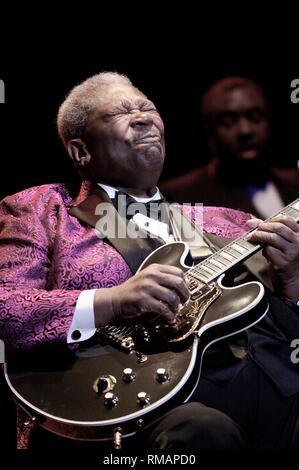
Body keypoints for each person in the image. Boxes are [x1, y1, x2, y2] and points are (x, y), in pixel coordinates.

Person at [0, 72, 299, 452]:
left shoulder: (227, 221)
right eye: (121, 113)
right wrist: (113, 301)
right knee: (202, 432)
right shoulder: (46, 210)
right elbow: (6, 304)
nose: (143, 117)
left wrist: (291, 280)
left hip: (274, 391)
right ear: (80, 151)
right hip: (139, 409)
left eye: (148, 108)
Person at [160, 76, 299, 219]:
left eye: (255, 116)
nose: (245, 131)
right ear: (209, 130)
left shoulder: (296, 181)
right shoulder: (179, 198)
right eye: (228, 121)